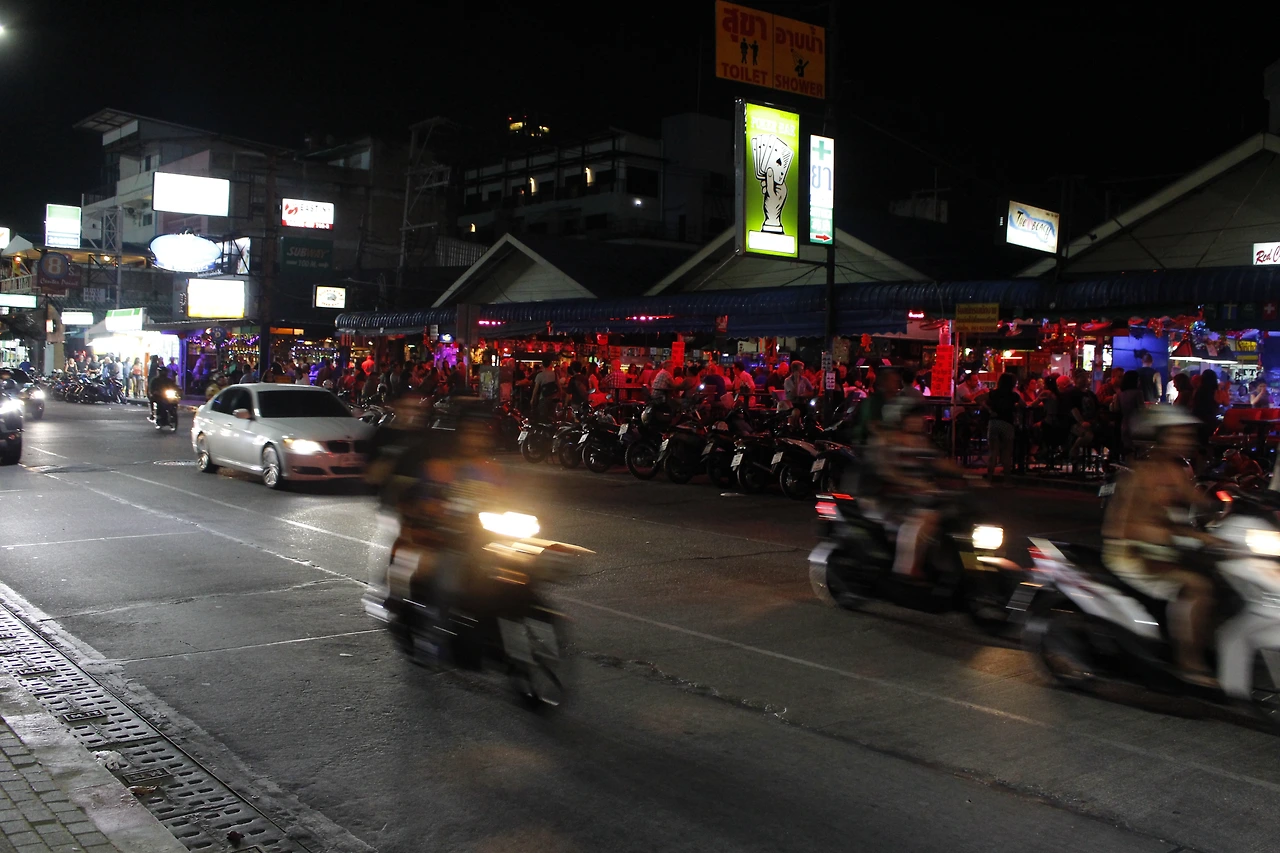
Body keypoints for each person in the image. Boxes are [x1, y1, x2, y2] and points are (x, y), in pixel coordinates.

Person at [1101, 406, 1219, 687]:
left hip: (1164, 551)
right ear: (1161, 437)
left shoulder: (1177, 471)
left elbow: (1201, 503)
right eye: (1180, 434)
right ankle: (1189, 662)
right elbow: (1121, 528)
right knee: (1197, 587)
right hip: (1131, 554)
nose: (1187, 440)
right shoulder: (1139, 475)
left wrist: (1234, 506)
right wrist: (1171, 535)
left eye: (1188, 434)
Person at [871, 398, 965, 581]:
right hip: (897, 499)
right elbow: (888, 473)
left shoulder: (921, 442)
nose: (917, 421)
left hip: (923, 497)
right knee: (927, 517)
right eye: (911, 417)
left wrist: (967, 475)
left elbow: (940, 462)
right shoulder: (889, 441)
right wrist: (914, 484)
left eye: (919, 417)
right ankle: (906, 569)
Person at [985, 372, 1020, 481]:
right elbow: (1024, 404)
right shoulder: (1014, 395)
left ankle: (989, 478)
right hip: (1007, 423)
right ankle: (1007, 480)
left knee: (993, 452)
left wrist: (989, 410)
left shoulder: (993, 393)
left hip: (994, 422)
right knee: (1006, 453)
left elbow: (978, 399)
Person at [530, 357, 560, 423]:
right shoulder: (555, 374)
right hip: (553, 398)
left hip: (543, 397)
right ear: (550, 364)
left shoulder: (540, 375)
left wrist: (532, 398)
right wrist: (560, 396)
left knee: (543, 416)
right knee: (552, 415)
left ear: (542, 365)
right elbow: (559, 386)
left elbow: (536, 388)